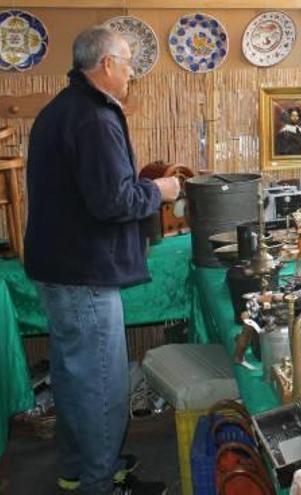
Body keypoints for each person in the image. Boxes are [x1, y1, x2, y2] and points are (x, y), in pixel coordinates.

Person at [24, 26, 179, 495]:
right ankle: (99, 483)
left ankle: (79, 470)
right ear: (107, 65)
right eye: (129, 61)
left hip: (62, 266)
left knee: (74, 380)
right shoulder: (92, 118)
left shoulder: (62, 108)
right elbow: (112, 201)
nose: (133, 71)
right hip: (84, 272)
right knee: (101, 385)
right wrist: (160, 191)